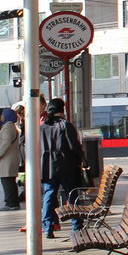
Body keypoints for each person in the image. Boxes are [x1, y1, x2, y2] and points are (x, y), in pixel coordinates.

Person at [40, 98, 85, 239]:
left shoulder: (42, 127)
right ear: (63, 109)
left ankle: (48, 227)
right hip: (66, 166)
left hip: (48, 167)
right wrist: (82, 159)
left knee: (49, 195)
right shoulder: (66, 125)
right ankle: (76, 225)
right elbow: (74, 147)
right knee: (72, 195)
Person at [0, 104, 24, 210]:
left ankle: (11, 203)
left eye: (2, 114)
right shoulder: (10, 127)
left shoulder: (8, 127)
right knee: (9, 180)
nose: (1, 116)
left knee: (7, 180)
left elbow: (5, 143)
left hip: (7, 158)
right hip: (10, 157)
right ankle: (12, 202)